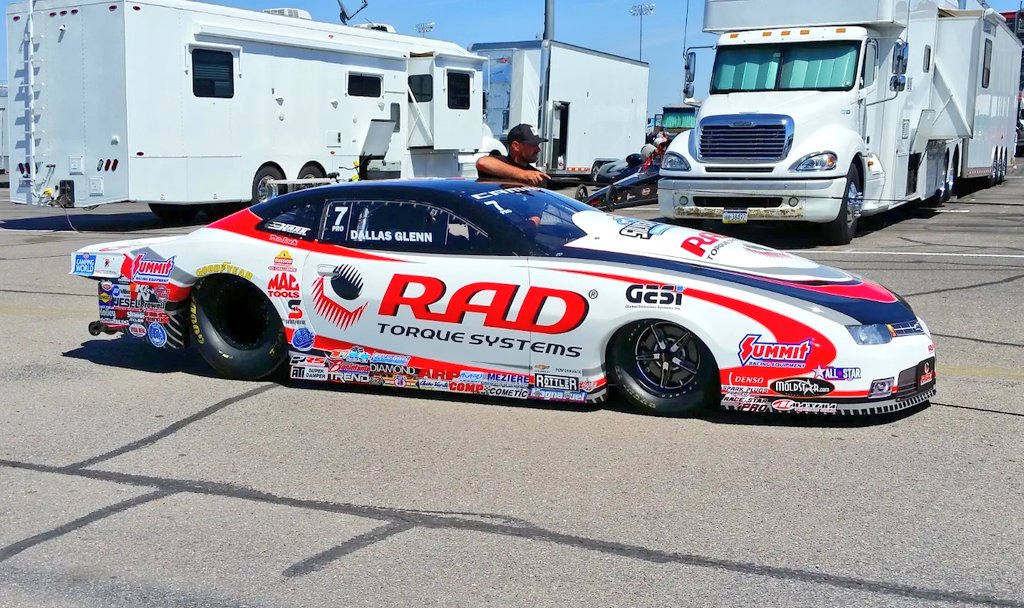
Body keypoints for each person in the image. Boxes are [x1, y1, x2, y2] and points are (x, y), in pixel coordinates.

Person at [476, 124, 551, 188]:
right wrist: (523, 175)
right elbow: (482, 163)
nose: (538, 149)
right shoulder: (500, 163)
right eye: (533, 145)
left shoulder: (536, 176)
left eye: (537, 145)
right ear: (516, 146)